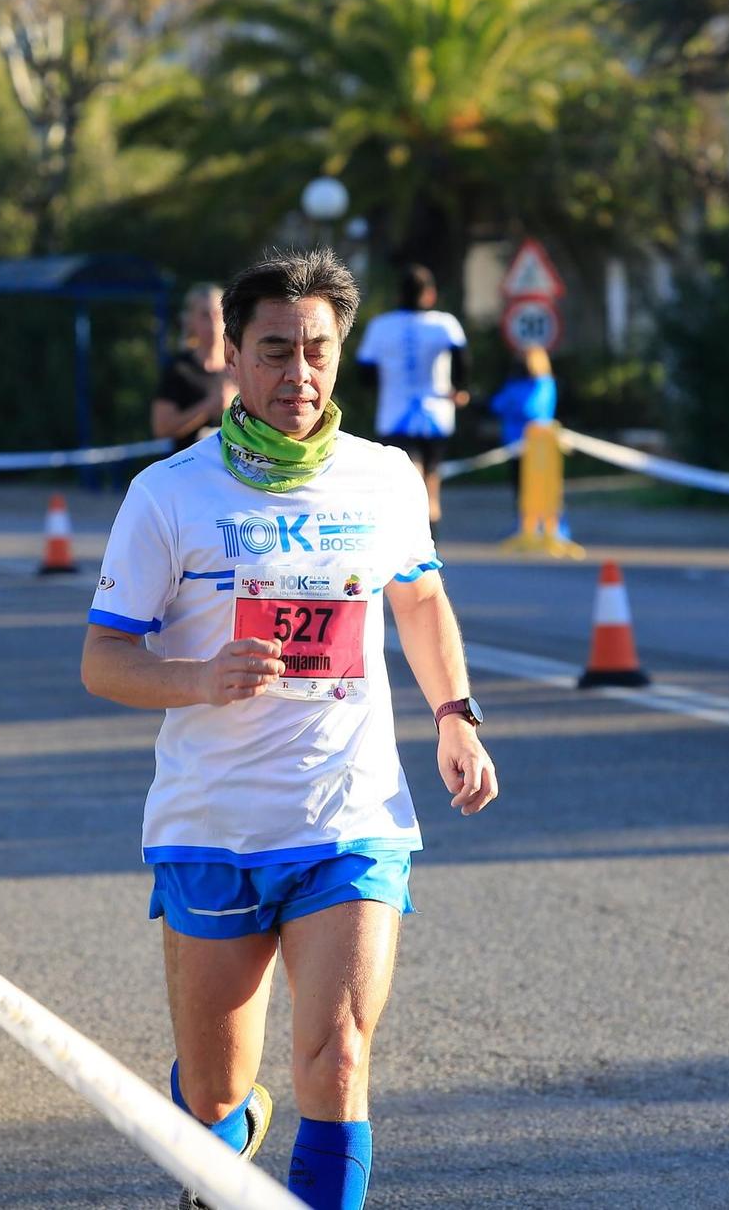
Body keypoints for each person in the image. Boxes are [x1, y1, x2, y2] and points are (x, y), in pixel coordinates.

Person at [80, 247, 499, 1210]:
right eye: (273, 350)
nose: (297, 375)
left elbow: (422, 602)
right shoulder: (169, 493)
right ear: (230, 351)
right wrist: (198, 675)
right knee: (217, 1094)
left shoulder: (386, 479)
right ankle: (215, 1146)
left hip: (347, 815)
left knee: (338, 1057)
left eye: (316, 350)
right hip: (211, 824)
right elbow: (103, 660)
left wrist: (455, 716)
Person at [353, 264, 468, 526]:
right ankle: (432, 545)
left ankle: (407, 541)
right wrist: (460, 390)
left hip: (394, 414)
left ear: (398, 295)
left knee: (405, 480)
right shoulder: (444, 324)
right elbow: (463, 358)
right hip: (436, 413)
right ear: (430, 294)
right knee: (431, 482)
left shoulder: (381, 326)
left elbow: (365, 374)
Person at [151, 283, 236, 452]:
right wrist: (208, 406)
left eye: (217, 314)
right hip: (190, 469)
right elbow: (161, 429)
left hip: (237, 469)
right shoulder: (179, 369)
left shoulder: (240, 364)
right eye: (205, 315)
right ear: (190, 321)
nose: (213, 323)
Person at [489, 345, 557, 515]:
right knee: (519, 490)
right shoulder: (514, 383)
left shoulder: (543, 384)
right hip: (514, 444)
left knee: (540, 489)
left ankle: (542, 527)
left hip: (538, 446)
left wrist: (511, 405)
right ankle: (524, 526)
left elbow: (530, 409)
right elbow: (496, 405)